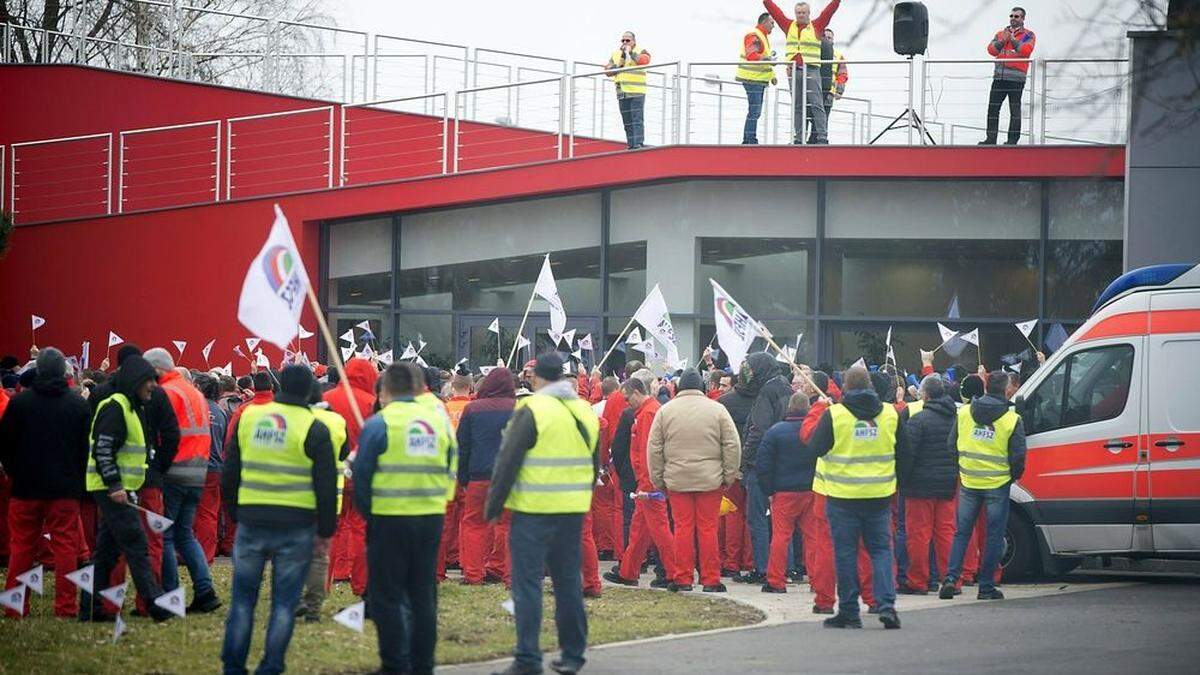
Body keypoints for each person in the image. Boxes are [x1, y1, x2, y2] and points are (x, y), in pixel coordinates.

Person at [486, 353, 599, 675]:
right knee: (567, 583)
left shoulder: (532, 409)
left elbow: (507, 461)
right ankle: (574, 654)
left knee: (527, 584)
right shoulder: (584, 410)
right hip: (572, 510)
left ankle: (527, 659)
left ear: (536, 378)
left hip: (533, 510)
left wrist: (494, 506)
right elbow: (593, 464)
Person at [221, 365, 337, 675]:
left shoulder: (250, 418)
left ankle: (233, 667)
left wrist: (234, 511)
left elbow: (230, 471)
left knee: (242, 601)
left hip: (252, 520)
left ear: (279, 385)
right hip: (296, 525)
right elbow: (326, 485)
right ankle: (271, 666)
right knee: (284, 604)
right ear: (311, 389)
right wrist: (326, 530)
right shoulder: (314, 427)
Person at [353, 363, 456, 675]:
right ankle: (423, 665)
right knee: (423, 595)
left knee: (387, 595)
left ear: (386, 390)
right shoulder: (439, 423)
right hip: (430, 517)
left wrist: (369, 513)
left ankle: (394, 664)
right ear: (417, 388)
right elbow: (452, 464)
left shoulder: (379, 424)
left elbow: (361, 474)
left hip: (389, 519)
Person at [807, 366, 909, 630]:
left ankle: (850, 611)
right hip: (879, 495)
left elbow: (815, 447)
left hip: (843, 496)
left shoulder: (835, 415)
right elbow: (906, 454)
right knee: (881, 551)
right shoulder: (890, 414)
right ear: (871, 386)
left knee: (845, 553)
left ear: (845, 388)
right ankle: (886, 606)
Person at [79, 355, 174, 622]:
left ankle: (91, 607)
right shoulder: (116, 407)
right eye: (149, 382)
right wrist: (115, 485)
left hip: (121, 488)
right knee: (137, 543)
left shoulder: (133, 408)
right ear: (135, 382)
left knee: (106, 553)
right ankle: (155, 604)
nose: (153, 387)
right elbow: (103, 449)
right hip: (112, 490)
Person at [0, 348, 90, 617]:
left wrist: (16, 472)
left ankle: (15, 606)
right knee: (65, 548)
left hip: (26, 487)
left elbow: (5, 445)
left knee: (22, 547)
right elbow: (84, 449)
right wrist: (76, 478)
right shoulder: (78, 405)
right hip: (64, 488)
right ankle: (65, 606)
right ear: (64, 372)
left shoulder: (20, 404)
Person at [647, 368, 741, 592]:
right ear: (702, 387)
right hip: (711, 480)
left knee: (682, 528)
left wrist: (658, 479)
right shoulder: (718, 410)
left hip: (677, 480)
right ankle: (710, 579)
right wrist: (728, 475)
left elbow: (654, 448)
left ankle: (682, 578)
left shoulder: (665, 411)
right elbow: (732, 445)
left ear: (678, 388)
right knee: (708, 529)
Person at [144, 348, 221, 613]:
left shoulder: (165, 393)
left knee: (165, 535)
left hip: (174, 469)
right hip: (198, 470)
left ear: (157, 370)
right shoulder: (193, 392)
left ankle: (170, 595)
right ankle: (205, 590)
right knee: (185, 534)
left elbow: (158, 432)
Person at [939, 371, 1027, 601]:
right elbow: (1018, 456)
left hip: (969, 480)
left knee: (962, 532)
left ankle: (950, 578)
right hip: (997, 483)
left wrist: (962, 467)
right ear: (1006, 389)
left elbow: (951, 445)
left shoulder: (965, 412)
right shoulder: (1011, 419)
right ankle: (986, 586)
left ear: (987, 386)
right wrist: (1012, 476)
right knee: (994, 536)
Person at [756, 392, 837, 609]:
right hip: (812, 490)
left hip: (783, 492)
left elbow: (763, 464)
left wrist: (768, 490)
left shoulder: (775, 432)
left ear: (788, 408)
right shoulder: (815, 431)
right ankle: (816, 581)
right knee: (813, 538)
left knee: (781, 537)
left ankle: (776, 581)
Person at [604, 375, 676, 589]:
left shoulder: (647, 414)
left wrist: (645, 485)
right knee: (639, 531)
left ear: (636, 393)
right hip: (647, 481)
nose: (626, 403)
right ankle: (628, 571)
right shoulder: (649, 411)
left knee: (660, 531)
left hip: (648, 482)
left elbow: (647, 453)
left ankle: (675, 574)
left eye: (627, 399)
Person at [896, 374, 958, 595]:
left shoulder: (918, 420)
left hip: (919, 486)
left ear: (926, 394)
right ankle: (951, 578)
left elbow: (907, 455)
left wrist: (902, 481)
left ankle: (918, 581)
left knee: (919, 535)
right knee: (946, 533)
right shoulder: (955, 418)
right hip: (948, 484)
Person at [456, 366, 516, 585]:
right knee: (508, 525)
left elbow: (463, 447)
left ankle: (473, 574)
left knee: (474, 524)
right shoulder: (518, 408)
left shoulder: (472, 409)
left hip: (479, 475)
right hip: (510, 476)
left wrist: (463, 478)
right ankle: (508, 573)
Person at [737, 353, 794, 584]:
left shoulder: (766, 392)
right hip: (784, 463)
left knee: (757, 518)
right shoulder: (786, 388)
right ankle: (786, 568)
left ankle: (761, 568)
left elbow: (758, 430)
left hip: (761, 465)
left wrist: (745, 460)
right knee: (781, 522)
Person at [296, 381, 349, 622]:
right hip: (330, 493)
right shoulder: (337, 421)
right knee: (320, 554)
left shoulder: (296, 419)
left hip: (295, 494)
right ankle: (314, 606)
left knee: (293, 551)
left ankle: (293, 598)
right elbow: (344, 454)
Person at [325, 358, 376, 600]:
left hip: (330, 474)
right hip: (360, 473)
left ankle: (325, 580)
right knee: (360, 528)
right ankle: (361, 583)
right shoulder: (371, 402)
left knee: (329, 529)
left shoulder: (327, 399)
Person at [763, 0, 841, 144]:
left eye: (804, 12)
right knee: (797, 106)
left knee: (817, 104)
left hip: (811, 69)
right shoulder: (788, 25)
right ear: (795, 13)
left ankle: (822, 137)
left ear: (809, 13)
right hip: (794, 71)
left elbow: (829, 12)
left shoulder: (817, 26)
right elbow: (775, 11)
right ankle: (798, 139)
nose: (801, 15)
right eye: (799, 13)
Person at [981, 6, 1035, 145]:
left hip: (1016, 79)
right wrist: (1003, 41)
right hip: (999, 77)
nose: (1013, 19)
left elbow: (1025, 50)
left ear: (1023, 19)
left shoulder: (1029, 34)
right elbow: (991, 50)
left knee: (1014, 110)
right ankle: (991, 139)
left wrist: (1012, 39)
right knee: (993, 108)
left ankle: (1012, 140)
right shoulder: (1000, 34)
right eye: (1011, 16)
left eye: (1016, 16)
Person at [192, 373, 228, 564]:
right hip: (214, 467)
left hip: (193, 464)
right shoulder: (220, 411)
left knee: (193, 512)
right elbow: (223, 442)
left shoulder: (195, 407)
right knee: (209, 513)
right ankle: (206, 555)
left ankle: (197, 555)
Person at [605, 31, 652, 150]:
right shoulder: (616, 54)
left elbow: (644, 61)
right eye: (623, 40)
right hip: (622, 92)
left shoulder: (641, 51)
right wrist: (618, 65)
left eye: (628, 40)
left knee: (637, 119)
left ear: (634, 41)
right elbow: (607, 71)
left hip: (637, 91)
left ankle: (638, 144)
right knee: (627, 121)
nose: (625, 43)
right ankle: (631, 145)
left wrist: (630, 52)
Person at [736, 12, 778, 145]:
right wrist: (768, 59)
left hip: (757, 79)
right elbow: (751, 55)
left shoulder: (762, 37)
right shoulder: (755, 35)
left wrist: (772, 76)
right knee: (755, 111)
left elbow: (762, 59)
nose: (773, 26)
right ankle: (750, 140)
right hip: (751, 79)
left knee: (755, 111)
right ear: (764, 22)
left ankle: (749, 139)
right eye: (772, 23)